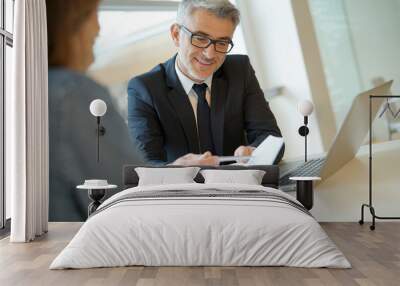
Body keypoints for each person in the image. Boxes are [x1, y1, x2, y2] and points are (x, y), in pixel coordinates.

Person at [127, 0, 283, 166]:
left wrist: (256, 151)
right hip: (181, 190)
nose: (210, 54)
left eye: (222, 43)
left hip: (239, 187)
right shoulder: (144, 89)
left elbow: (270, 137)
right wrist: (175, 169)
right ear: (176, 35)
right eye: (200, 38)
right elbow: (143, 165)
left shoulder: (239, 71)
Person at [47, 0, 144, 221]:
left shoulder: (28, 87)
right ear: (71, 23)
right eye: (93, 14)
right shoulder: (74, 93)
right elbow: (128, 198)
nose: (98, 29)